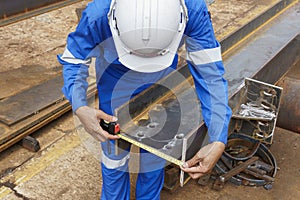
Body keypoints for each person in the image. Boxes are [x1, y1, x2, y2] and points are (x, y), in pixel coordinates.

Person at [57, 0, 232, 199]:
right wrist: (80, 107)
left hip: (163, 83)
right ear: (113, 21)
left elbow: (210, 75)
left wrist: (218, 137)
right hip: (114, 80)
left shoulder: (192, 10)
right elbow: (74, 60)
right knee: (114, 155)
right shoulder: (99, 14)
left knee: (156, 152)